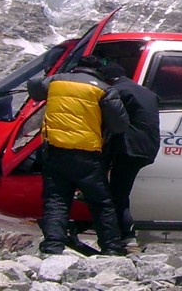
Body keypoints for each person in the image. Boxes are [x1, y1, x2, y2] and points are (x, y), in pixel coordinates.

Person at [28, 55, 130, 256]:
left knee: (56, 199)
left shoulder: (56, 81)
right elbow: (120, 125)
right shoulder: (103, 89)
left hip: (55, 150)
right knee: (100, 202)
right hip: (87, 154)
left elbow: (33, 86)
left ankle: (53, 245)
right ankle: (111, 247)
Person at [99, 62, 160, 250]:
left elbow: (110, 122)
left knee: (118, 194)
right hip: (148, 149)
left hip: (129, 148)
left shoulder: (117, 91)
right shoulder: (146, 92)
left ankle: (127, 237)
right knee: (121, 190)